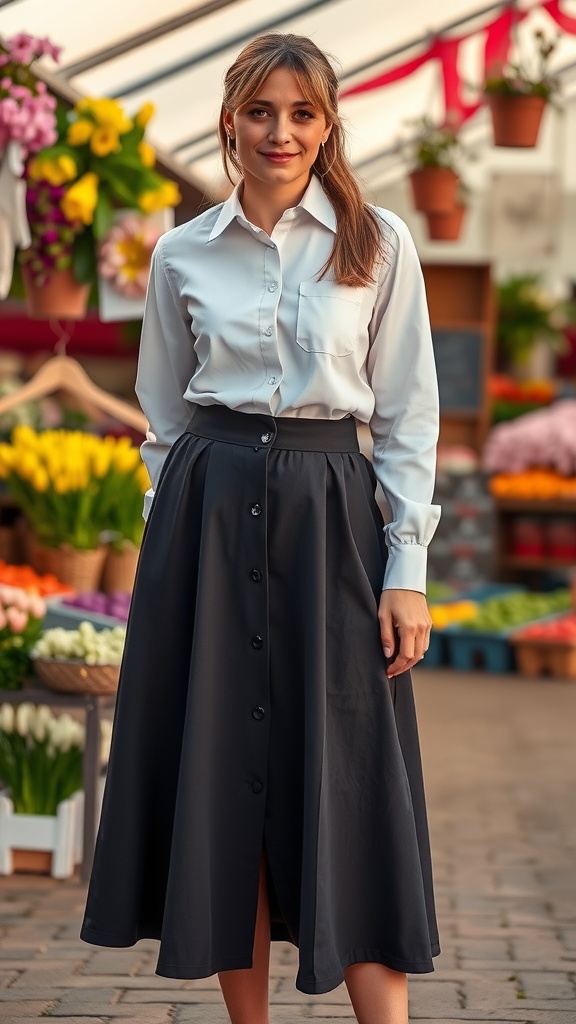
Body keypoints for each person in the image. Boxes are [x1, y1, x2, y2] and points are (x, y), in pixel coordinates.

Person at [81, 32, 441, 1024]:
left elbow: (408, 418)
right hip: (208, 515)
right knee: (219, 781)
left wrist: (405, 569)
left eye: (302, 113)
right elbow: (163, 419)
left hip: (333, 517)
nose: (280, 132)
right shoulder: (180, 250)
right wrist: (172, 547)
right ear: (230, 119)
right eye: (260, 111)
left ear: (328, 128)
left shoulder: (380, 244)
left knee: (353, 781)